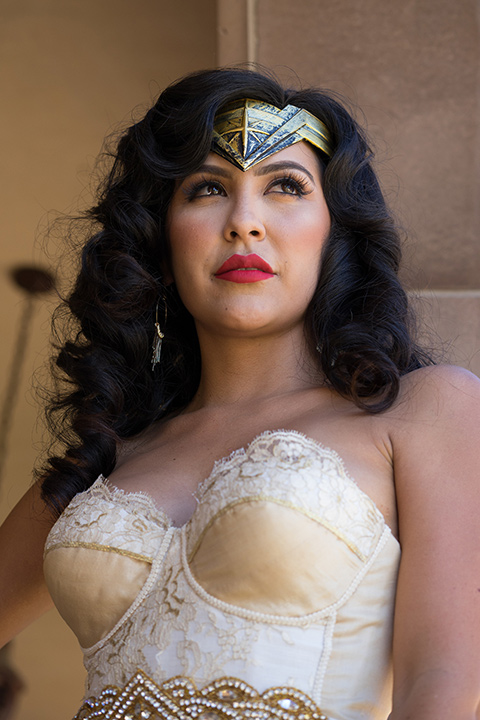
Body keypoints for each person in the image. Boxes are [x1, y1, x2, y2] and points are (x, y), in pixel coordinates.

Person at [0, 67, 479, 720]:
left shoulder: (428, 412)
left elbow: (449, 689)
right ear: (163, 244)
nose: (245, 221)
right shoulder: (108, 456)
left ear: (333, 232)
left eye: (286, 186)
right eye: (207, 188)